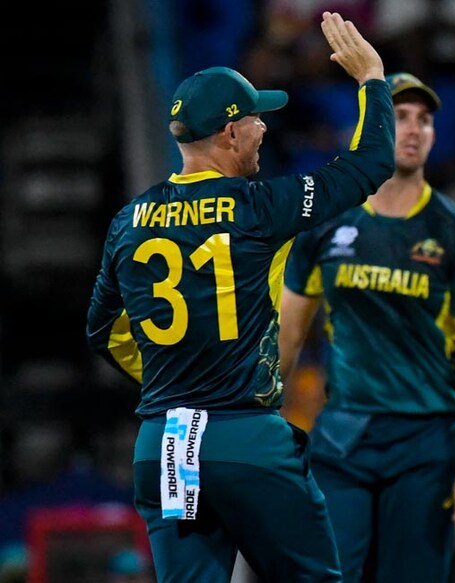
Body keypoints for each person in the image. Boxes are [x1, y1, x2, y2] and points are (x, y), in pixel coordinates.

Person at [85, 12, 394, 582]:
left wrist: (174, 378)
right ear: (230, 132)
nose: (264, 128)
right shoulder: (259, 205)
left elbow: (101, 330)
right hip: (246, 439)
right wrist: (372, 79)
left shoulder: (128, 221)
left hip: (165, 440)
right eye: (256, 118)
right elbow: (369, 165)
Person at [278, 72, 455, 582]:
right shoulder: (327, 223)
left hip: (425, 442)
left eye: (424, 120)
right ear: (370, 126)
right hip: (343, 436)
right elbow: (286, 338)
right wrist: (254, 423)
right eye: (400, 117)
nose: (414, 129)